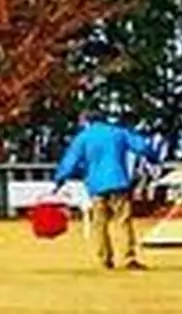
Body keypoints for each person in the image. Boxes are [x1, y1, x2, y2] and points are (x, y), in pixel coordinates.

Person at [51, 115, 163, 270]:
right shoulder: (118, 132)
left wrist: (59, 180)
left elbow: (71, 161)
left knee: (99, 223)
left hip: (96, 186)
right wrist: (154, 157)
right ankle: (128, 258)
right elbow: (142, 146)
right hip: (118, 182)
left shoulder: (83, 137)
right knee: (123, 220)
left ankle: (105, 259)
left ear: (88, 121)